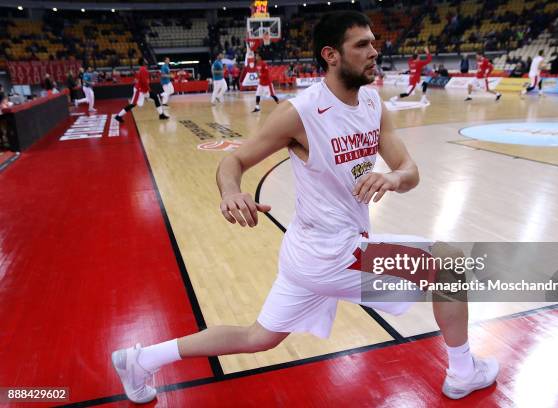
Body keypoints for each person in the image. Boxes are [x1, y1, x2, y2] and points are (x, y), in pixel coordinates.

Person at [111, 11, 499, 404]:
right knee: (448, 266)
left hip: (308, 253)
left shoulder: (371, 103)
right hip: (332, 253)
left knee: (258, 337)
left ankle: (140, 360)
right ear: (331, 55)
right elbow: (234, 161)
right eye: (362, 45)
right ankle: (464, 371)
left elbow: (410, 170)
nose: (374, 51)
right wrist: (230, 192)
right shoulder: (301, 112)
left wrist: (395, 178)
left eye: (373, 42)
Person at [114, 58, 168, 123]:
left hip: (144, 89)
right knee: (132, 104)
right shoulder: (143, 69)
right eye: (145, 60)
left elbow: (143, 80)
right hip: (139, 90)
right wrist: (149, 89)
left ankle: (161, 115)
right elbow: (144, 82)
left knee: (155, 97)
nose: (147, 60)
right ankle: (118, 116)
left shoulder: (143, 69)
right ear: (143, 62)